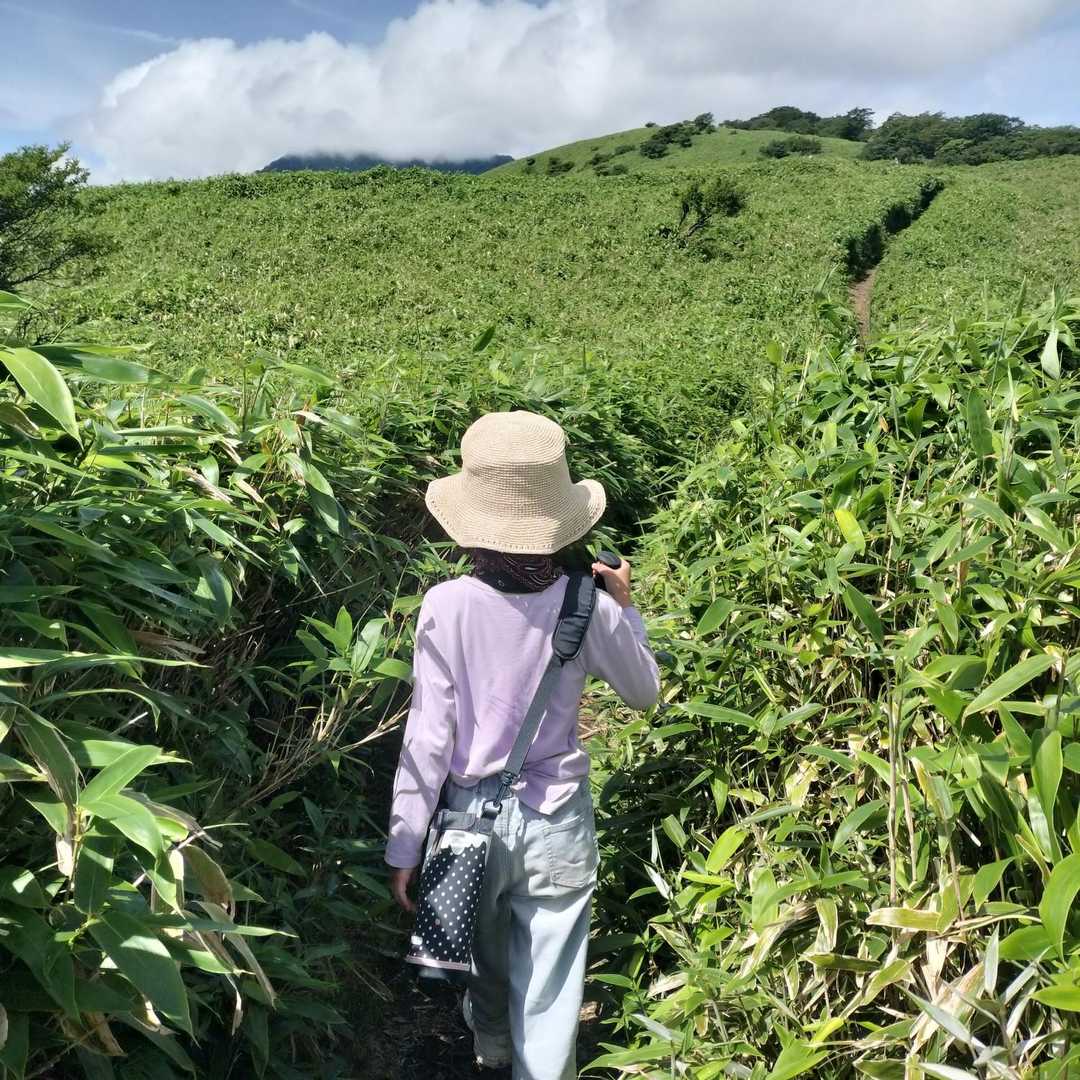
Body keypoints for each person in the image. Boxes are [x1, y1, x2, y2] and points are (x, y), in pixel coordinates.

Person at [386, 410, 660, 1080]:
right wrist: (625, 607)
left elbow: (428, 736)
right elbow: (644, 693)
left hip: (466, 818)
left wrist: (404, 845)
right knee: (550, 986)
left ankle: (490, 1044)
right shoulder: (588, 604)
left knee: (481, 949)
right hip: (556, 815)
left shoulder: (445, 605)